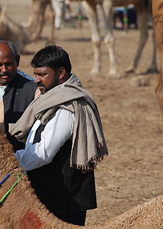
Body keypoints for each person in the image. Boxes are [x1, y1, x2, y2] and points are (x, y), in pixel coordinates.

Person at [10, 44, 108, 226]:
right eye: (35, 74)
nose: (36, 80)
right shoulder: (50, 99)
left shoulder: (67, 106)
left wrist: (10, 162)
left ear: (61, 73)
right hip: (49, 193)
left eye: (42, 74)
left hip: (62, 199)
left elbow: (44, 152)